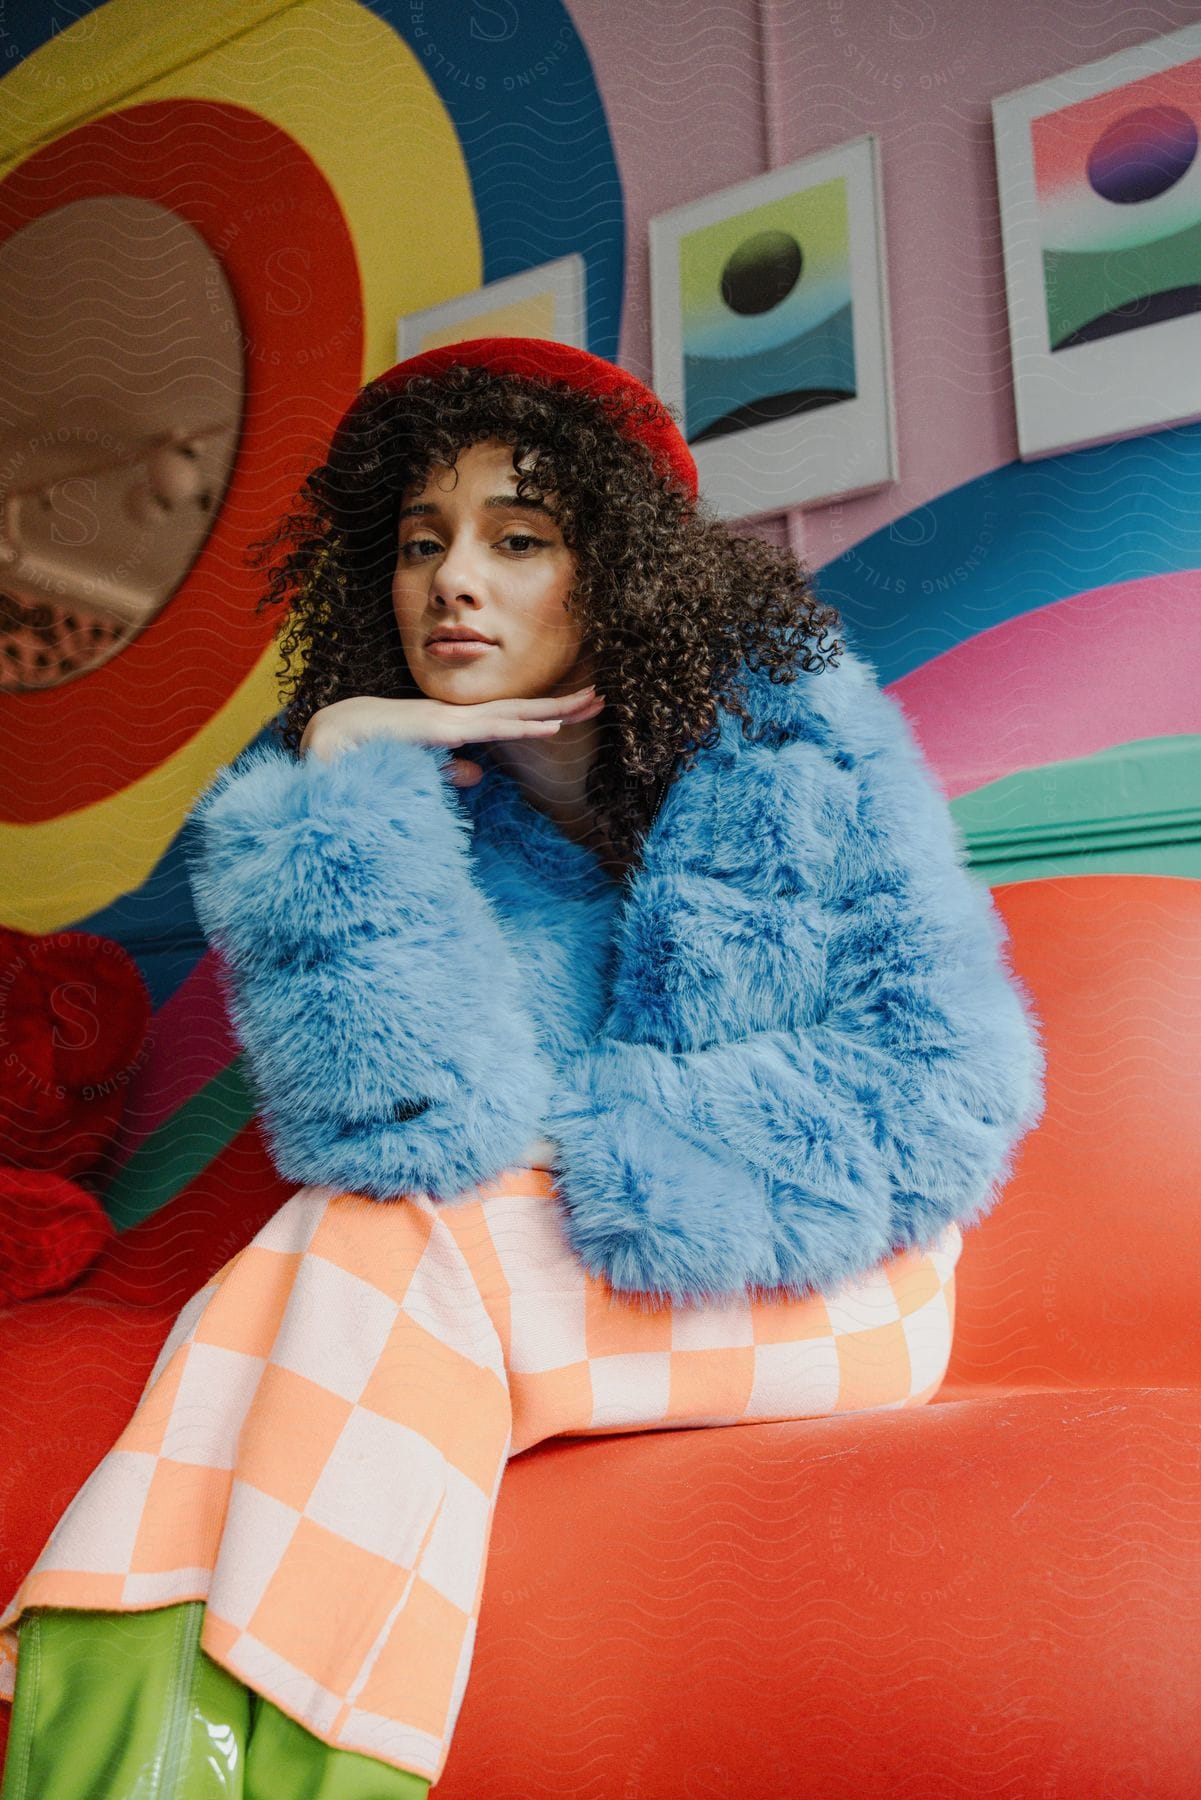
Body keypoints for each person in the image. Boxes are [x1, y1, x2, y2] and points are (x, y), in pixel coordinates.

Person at [0, 338, 1046, 1795]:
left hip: (835, 1270)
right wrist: (347, 784)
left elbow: (945, 1090)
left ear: (614, 571)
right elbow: (395, 1135)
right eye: (422, 543)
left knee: (361, 1253)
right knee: (339, 1237)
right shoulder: (433, 824)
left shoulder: (799, 745)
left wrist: (608, 1145)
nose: (453, 581)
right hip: (516, 1260)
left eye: (519, 539)